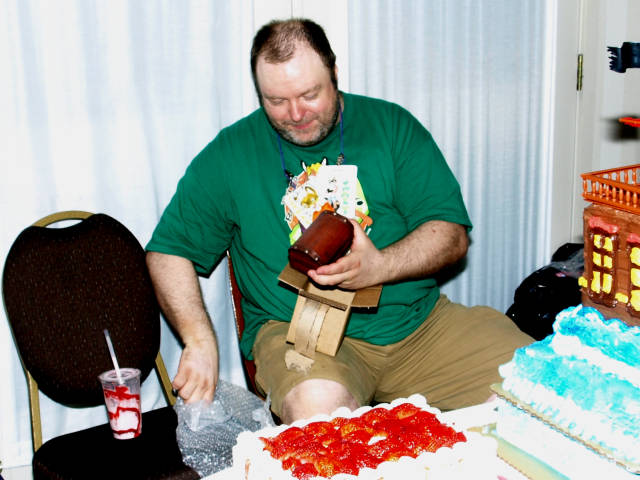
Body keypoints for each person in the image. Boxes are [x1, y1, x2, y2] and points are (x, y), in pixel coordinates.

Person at [146, 18, 533, 423]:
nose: (295, 114)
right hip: (302, 338)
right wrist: (199, 340)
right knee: (322, 422)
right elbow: (167, 252)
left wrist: (380, 266)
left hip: (417, 329)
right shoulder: (231, 153)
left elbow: (450, 235)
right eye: (276, 101)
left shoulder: (391, 126)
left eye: (309, 94)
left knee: (540, 390)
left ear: (334, 72)